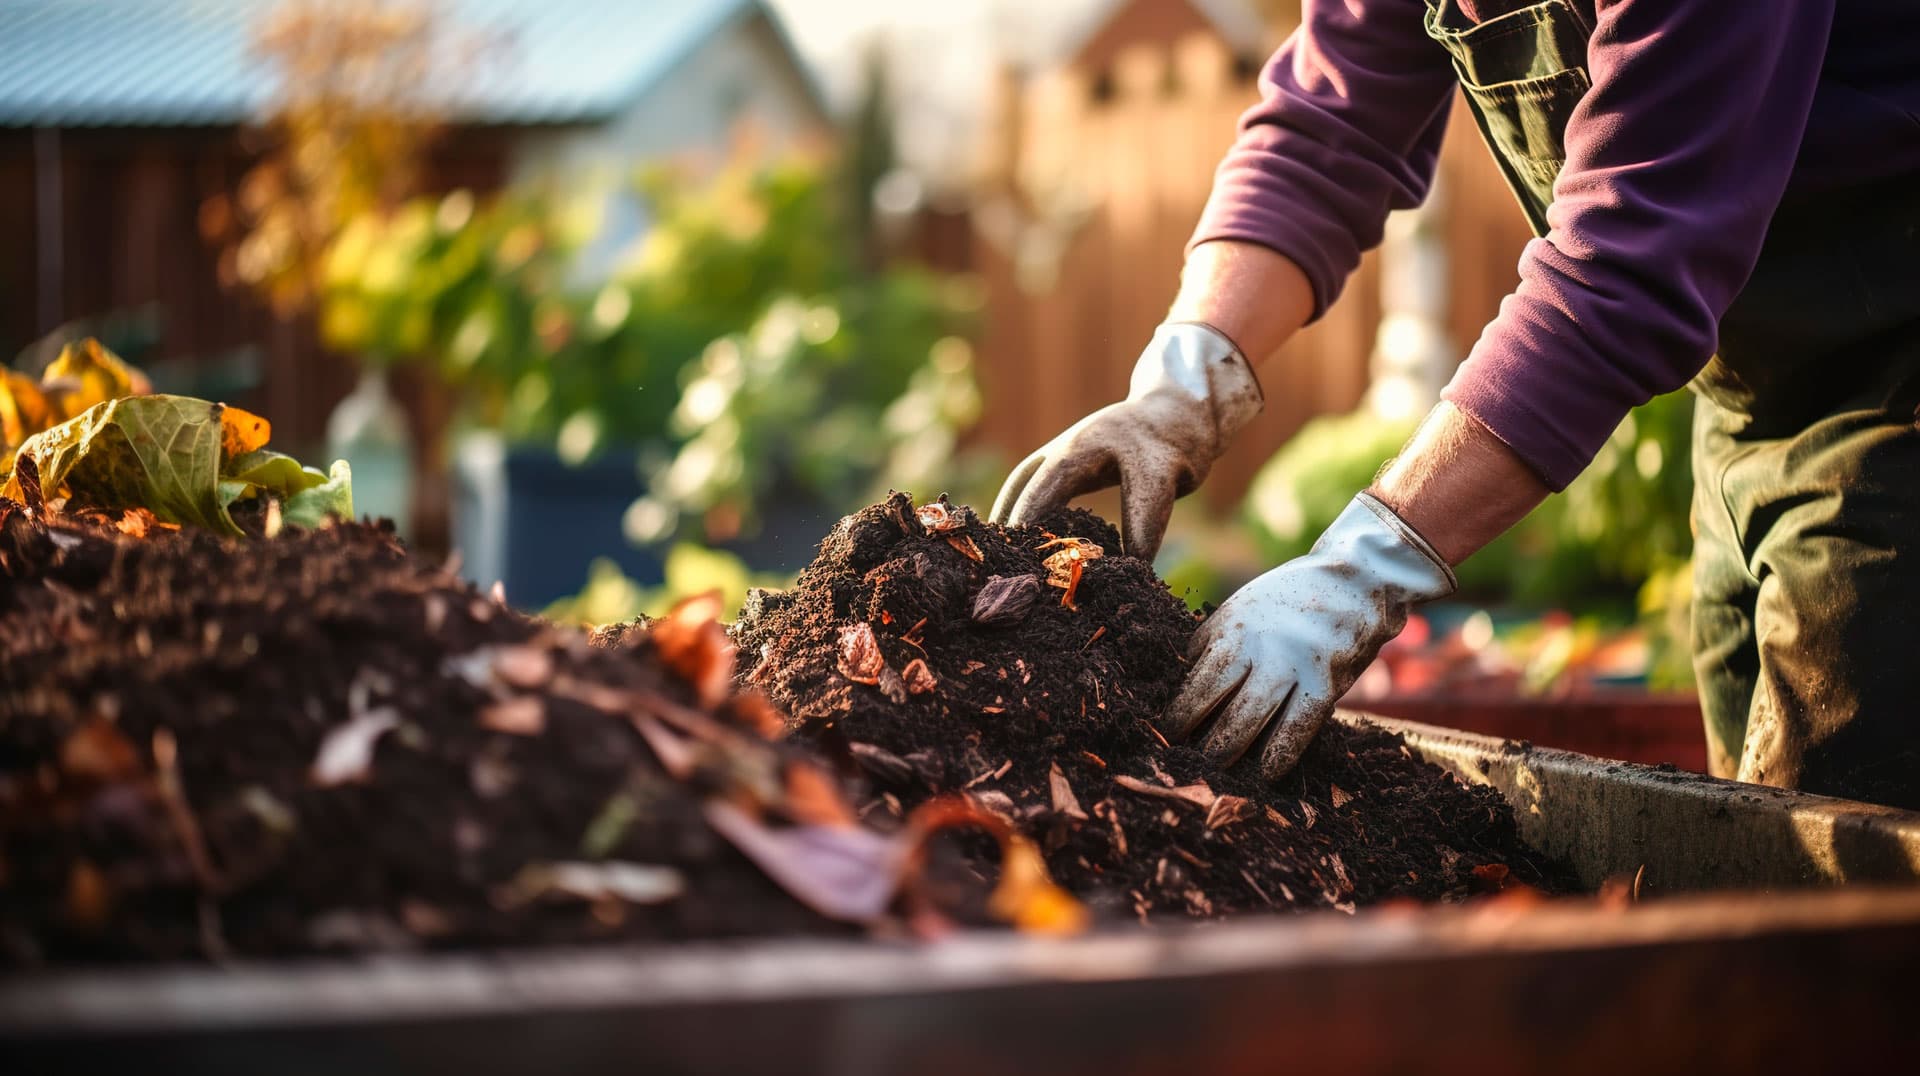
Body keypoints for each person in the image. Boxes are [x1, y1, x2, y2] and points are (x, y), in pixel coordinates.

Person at [991, 0, 1920, 808]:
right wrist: (1178, 389)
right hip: (1750, 399)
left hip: (1897, 385)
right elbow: (1327, 130)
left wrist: (1361, 570)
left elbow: (1631, 260)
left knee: (1841, 857)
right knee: (1752, 844)